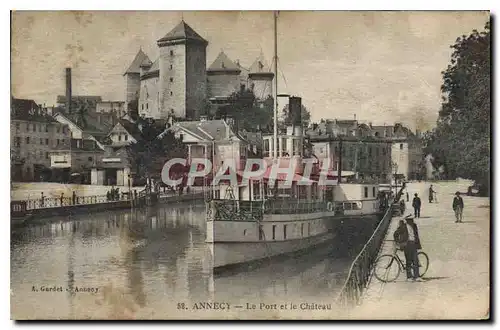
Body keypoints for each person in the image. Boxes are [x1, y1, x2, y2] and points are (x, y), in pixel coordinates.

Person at [393, 215, 423, 281]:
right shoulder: (403, 226)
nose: (411, 221)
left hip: (413, 244)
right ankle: (409, 277)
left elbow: (416, 235)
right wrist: (398, 242)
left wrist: (417, 243)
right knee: (408, 261)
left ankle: (417, 276)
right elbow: (395, 234)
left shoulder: (414, 225)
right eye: (409, 219)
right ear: (406, 220)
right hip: (407, 244)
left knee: (415, 260)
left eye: (412, 219)